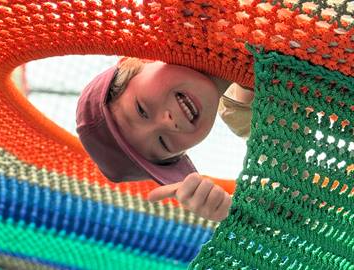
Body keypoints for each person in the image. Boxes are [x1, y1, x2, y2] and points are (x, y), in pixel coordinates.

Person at [76, 57, 253, 222]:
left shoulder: (185, 24)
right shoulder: (254, 122)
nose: (167, 122)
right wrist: (238, 213)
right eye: (163, 143)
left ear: (133, 65)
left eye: (141, 110)